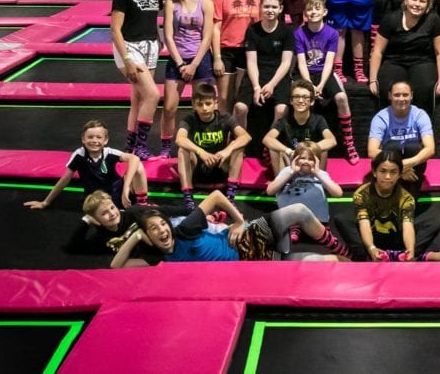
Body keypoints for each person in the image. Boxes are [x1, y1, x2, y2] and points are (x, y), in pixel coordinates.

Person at [111, 190, 350, 266]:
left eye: (163, 225)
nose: (162, 231)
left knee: (299, 210)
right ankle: (343, 259)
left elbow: (215, 196)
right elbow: (116, 267)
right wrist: (135, 237)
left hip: (246, 237)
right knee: (318, 262)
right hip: (251, 261)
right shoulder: (158, 257)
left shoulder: (185, 229)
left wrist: (237, 220)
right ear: (149, 238)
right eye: (154, 230)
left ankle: (337, 244)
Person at [335, 151, 440, 262]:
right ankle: (367, 257)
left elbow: (407, 225)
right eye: (383, 171)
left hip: (396, 238)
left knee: (432, 224)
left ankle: (404, 256)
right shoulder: (361, 194)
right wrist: (371, 248)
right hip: (372, 237)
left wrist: (410, 250)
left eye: (393, 172)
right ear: (375, 172)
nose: (387, 177)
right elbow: (364, 223)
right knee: (342, 219)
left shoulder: (406, 197)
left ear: (399, 174)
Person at [25, 120, 148, 211]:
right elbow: (65, 179)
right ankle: (115, 208)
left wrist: (126, 188)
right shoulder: (79, 155)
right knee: (99, 211)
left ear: (105, 140)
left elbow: (135, 158)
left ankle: (142, 202)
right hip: (95, 196)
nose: (94, 140)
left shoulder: (109, 152)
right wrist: (46, 202)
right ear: (83, 139)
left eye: (99, 137)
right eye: (90, 137)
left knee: (138, 166)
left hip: (116, 191)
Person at [293, 0, 360, 164]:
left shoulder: (331, 33)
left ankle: (349, 142)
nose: (313, 12)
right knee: (295, 100)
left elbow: (329, 62)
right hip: (305, 74)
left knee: (341, 98)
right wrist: (310, 86)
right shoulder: (299, 33)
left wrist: (321, 85)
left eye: (317, 9)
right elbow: (301, 63)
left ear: (325, 12)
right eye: (309, 9)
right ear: (305, 13)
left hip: (324, 73)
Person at [160, 0, 215, 158]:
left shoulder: (206, 2)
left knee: (203, 106)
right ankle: (166, 148)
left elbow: (207, 36)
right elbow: (168, 35)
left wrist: (194, 64)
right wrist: (181, 63)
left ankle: (202, 145)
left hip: (200, 60)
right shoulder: (171, 3)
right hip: (178, 60)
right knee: (169, 108)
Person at [110, 0, 162, 159]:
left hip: (150, 46)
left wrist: (159, 39)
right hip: (129, 47)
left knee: (139, 100)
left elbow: (150, 19)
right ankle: (141, 146)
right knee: (153, 94)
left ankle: (130, 146)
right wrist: (127, 60)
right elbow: (115, 30)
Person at [368, 0, 440, 110]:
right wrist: (372, 79)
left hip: (422, 61)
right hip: (394, 61)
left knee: (424, 88)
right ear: (406, 1)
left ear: (427, 5)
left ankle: (421, 126)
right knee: (386, 87)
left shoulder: (433, 20)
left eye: (422, 1)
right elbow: (377, 51)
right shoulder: (391, 18)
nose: (417, 4)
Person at [175, 82, 251, 211]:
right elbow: (179, 139)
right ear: (194, 105)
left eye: (208, 104)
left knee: (237, 146)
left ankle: (230, 196)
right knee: (183, 150)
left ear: (215, 104)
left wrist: (226, 151)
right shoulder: (188, 119)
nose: (204, 108)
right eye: (200, 104)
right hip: (198, 167)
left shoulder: (225, 118)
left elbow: (246, 136)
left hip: (220, 164)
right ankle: (188, 197)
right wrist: (201, 152)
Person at [366, 80, 437, 200]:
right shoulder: (381, 117)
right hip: (389, 163)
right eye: (397, 95)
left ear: (411, 96)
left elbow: (430, 149)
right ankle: (388, 198)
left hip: (412, 164)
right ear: (389, 96)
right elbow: (372, 151)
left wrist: (408, 164)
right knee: (392, 146)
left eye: (405, 95)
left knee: (413, 147)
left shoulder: (420, 115)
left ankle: (411, 201)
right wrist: (399, 166)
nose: (401, 98)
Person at [237, 0, 295, 134]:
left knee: (281, 109)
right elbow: (251, 62)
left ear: (280, 9)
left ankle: (270, 144)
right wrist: (256, 87)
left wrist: (271, 85)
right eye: (267, 6)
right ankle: (240, 141)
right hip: (256, 73)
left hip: (278, 75)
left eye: (274, 7)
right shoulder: (252, 30)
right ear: (260, 7)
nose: (270, 10)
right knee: (240, 107)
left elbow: (286, 63)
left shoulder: (287, 31)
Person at [212, 0, 261, 120]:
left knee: (240, 98)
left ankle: (237, 136)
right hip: (226, 51)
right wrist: (217, 57)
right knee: (225, 98)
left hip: (247, 51)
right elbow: (216, 28)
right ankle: (221, 136)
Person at [266, 142, 343, 243]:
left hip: (316, 219)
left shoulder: (320, 174)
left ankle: (320, 229)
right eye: (302, 158)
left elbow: (338, 193)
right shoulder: (287, 171)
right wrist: (291, 172)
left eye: (310, 159)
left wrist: (318, 173)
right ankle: (295, 227)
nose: (306, 161)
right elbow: (270, 191)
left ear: (317, 161)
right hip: (291, 218)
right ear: (295, 158)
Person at [262, 79, 337, 174]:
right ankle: (282, 184)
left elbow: (332, 140)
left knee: (323, 150)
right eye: (297, 97)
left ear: (312, 101)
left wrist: (307, 151)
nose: (301, 100)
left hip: (310, 161)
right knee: (274, 149)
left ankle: (317, 183)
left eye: (305, 97)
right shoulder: (284, 121)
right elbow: (267, 139)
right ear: (291, 101)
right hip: (291, 160)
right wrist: (289, 151)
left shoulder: (319, 120)